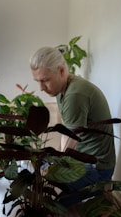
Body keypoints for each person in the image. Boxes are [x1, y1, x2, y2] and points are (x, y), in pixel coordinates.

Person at [30, 47, 116, 206]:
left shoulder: (75, 95)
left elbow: (71, 143)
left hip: (97, 167)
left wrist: (54, 169)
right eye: (38, 81)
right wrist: (51, 164)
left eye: (45, 80)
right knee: (39, 167)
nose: (41, 88)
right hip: (85, 160)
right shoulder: (61, 90)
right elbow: (66, 132)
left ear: (61, 71)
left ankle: (101, 186)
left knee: (52, 199)